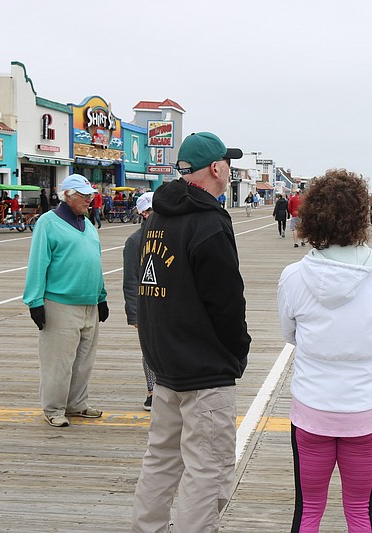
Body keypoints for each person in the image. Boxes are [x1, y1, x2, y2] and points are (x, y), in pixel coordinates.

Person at [131, 132, 250, 533]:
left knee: (161, 458)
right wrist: (238, 351)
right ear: (217, 168)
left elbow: (149, 289)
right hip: (204, 369)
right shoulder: (209, 223)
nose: (230, 169)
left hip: (165, 365)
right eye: (227, 163)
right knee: (208, 468)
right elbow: (227, 301)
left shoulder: (158, 218)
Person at [278, 169, 372, 532]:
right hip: (364, 410)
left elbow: (291, 334)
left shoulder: (293, 275)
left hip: (312, 409)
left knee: (310, 509)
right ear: (361, 217)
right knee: (361, 511)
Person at [22, 174, 108, 428]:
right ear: (68, 195)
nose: (89, 200)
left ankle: (77, 403)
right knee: (58, 361)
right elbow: (38, 263)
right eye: (84, 195)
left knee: (84, 360)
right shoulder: (48, 223)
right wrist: (35, 302)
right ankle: (54, 408)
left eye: (90, 195)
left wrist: (101, 297)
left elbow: (95, 262)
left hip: (89, 303)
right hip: (60, 302)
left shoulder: (88, 225)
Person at [123, 192, 156, 411]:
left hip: (172, 303)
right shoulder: (135, 241)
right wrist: (133, 314)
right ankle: (152, 391)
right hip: (147, 305)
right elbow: (131, 280)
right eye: (152, 210)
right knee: (150, 350)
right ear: (143, 213)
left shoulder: (172, 233)